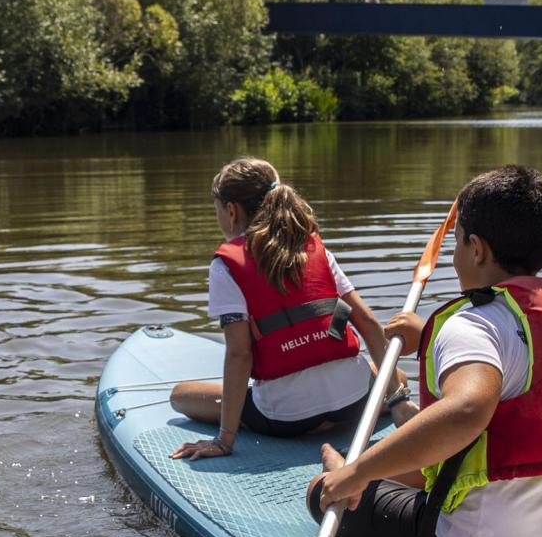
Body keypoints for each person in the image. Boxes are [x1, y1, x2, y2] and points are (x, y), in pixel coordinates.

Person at [308, 166, 542, 537]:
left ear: (476, 248)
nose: (453, 255)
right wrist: (430, 334)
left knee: (322, 492)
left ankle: (344, 468)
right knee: (415, 459)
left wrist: (357, 473)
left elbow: (466, 410)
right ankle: (364, 467)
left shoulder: (472, 326)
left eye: (457, 242)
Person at [169, 158, 404, 460]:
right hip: (354, 402)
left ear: (231, 211)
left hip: (286, 419)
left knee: (181, 397)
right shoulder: (314, 246)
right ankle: (383, 398)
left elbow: (240, 354)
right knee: (395, 375)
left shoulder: (226, 266)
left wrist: (225, 440)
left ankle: (298, 417)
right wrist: (398, 399)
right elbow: (369, 323)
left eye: (217, 210)